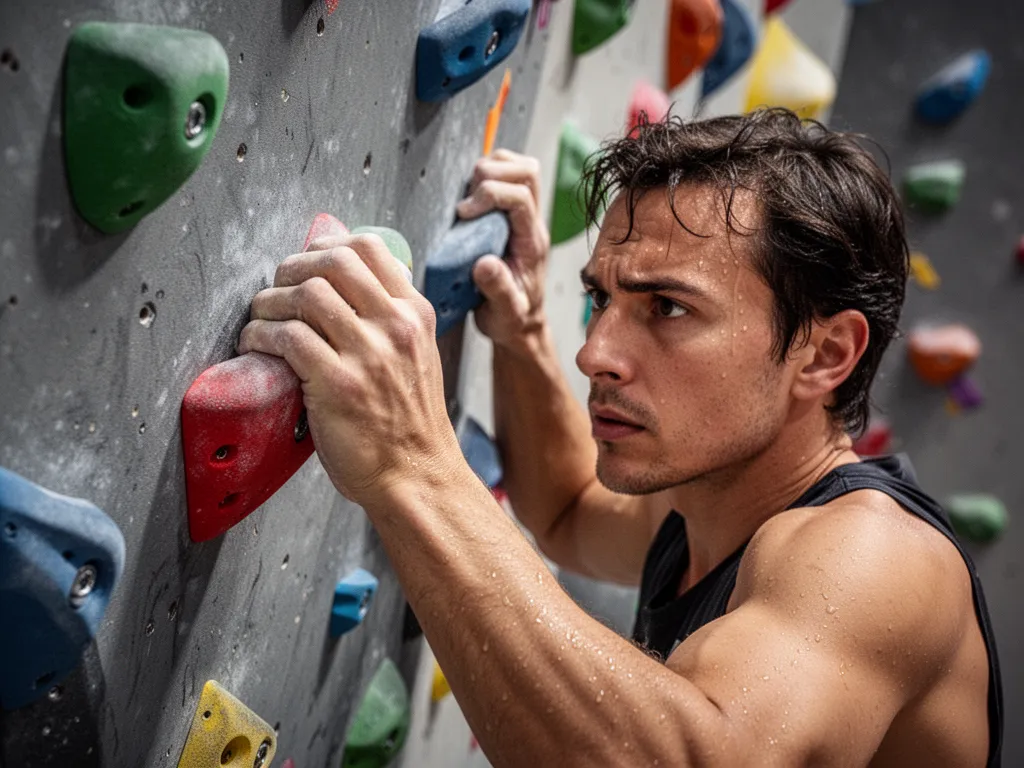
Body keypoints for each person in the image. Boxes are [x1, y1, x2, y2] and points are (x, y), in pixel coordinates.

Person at [239, 108, 1001, 766]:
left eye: (666, 307)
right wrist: (524, 328)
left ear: (825, 353)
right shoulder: (708, 503)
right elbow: (566, 508)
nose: (595, 352)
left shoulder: (876, 561)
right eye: (602, 298)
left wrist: (412, 462)